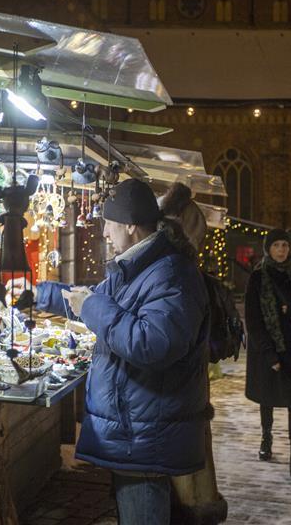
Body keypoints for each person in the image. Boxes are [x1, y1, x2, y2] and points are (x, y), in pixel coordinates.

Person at [28, 178, 210, 525]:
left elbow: (152, 344)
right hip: (138, 427)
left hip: (146, 434)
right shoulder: (139, 266)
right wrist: (39, 293)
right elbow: (90, 298)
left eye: (109, 224)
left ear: (129, 225)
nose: (105, 233)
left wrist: (91, 306)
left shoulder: (171, 274)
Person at [158, 182, 227, 525]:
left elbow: (165, 343)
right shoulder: (186, 274)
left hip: (178, 397)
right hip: (187, 394)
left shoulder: (177, 278)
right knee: (190, 470)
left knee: (182, 486)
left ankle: (193, 509)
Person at [244, 229, 291, 479]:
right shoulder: (258, 277)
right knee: (268, 397)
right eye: (277, 245)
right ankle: (266, 437)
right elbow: (252, 320)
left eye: (285, 244)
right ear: (268, 249)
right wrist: (269, 353)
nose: (282, 250)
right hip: (269, 348)